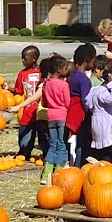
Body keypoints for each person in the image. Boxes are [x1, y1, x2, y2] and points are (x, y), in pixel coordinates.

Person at [20, 54, 70, 182]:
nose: (67, 70)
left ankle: (47, 171)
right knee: (62, 144)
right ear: (59, 70)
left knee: (53, 144)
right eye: (65, 68)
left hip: (51, 116)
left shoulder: (46, 84)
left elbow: (45, 103)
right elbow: (67, 102)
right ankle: (58, 171)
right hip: (62, 116)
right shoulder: (63, 85)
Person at [84, 56, 112, 167]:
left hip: (100, 128)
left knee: (106, 156)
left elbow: (88, 103)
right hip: (105, 129)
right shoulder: (102, 92)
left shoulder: (95, 91)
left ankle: (106, 174)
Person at [12, 44, 44, 161]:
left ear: (34, 58)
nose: (23, 61)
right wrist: (9, 89)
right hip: (27, 110)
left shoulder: (43, 72)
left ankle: (45, 155)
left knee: (43, 137)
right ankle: (24, 154)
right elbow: (19, 90)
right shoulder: (22, 74)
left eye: (25, 59)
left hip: (41, 111)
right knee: (24, 136)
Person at [66, 44, 95, 166]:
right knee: (83, 144)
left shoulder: (72, 76)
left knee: (75, 142)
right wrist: (90, 115)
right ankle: (79, 167)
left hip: (72, 111)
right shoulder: (84, 79)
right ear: (88, 60)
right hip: (81, 114)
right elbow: (85, 100)